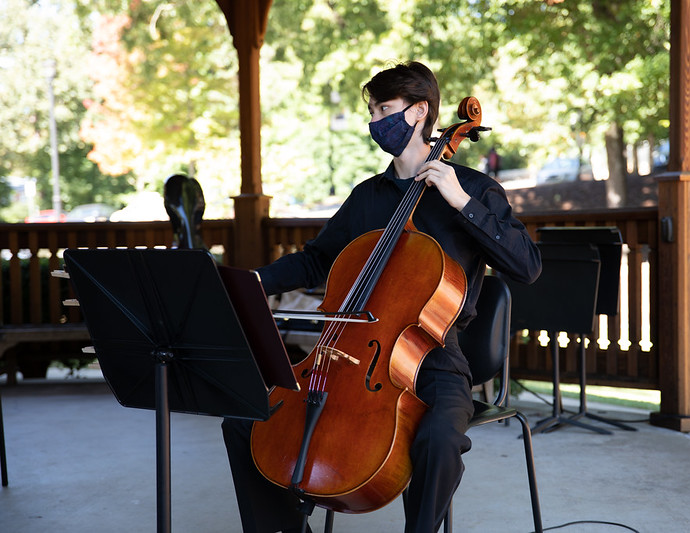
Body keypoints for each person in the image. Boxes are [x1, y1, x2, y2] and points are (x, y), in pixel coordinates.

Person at [221, 61, 541, 533]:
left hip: (435, 359)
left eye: (384, 108)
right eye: (371, 110)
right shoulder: (367, 196)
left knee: (437, 439)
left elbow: (527, 266)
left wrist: (462, 204)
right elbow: (315, 260)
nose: (375, 120)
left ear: (419, 112)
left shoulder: (473, 188)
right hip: (349, 351)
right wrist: (247, 283)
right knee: (247, 425)